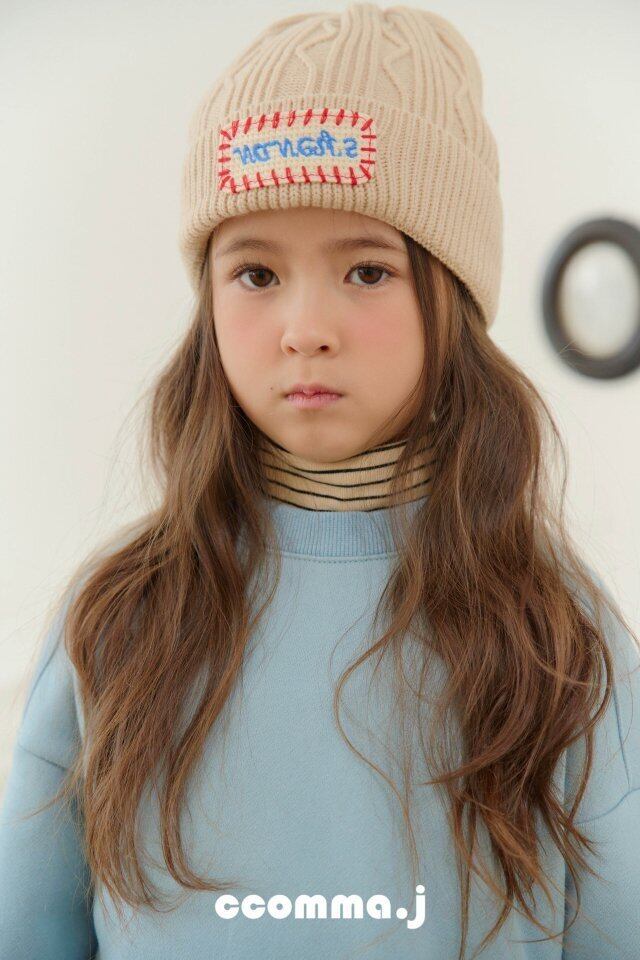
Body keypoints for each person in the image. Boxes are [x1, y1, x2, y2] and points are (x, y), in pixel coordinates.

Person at [1, 3, 639, 959]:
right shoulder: (121, 619)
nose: (305, 329)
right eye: (256, 275)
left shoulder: (554, 635)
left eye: (367, 272)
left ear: (452, 297)